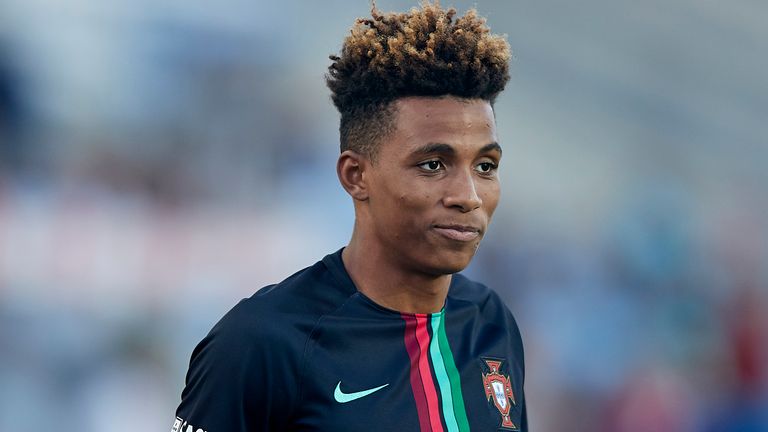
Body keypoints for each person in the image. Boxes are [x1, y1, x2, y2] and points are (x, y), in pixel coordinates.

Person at [173, 1, 526, 431]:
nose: (468, 196)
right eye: (433, 164)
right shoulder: (262, 343)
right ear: (356, 176)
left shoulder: (491, 323)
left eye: (485, 166)